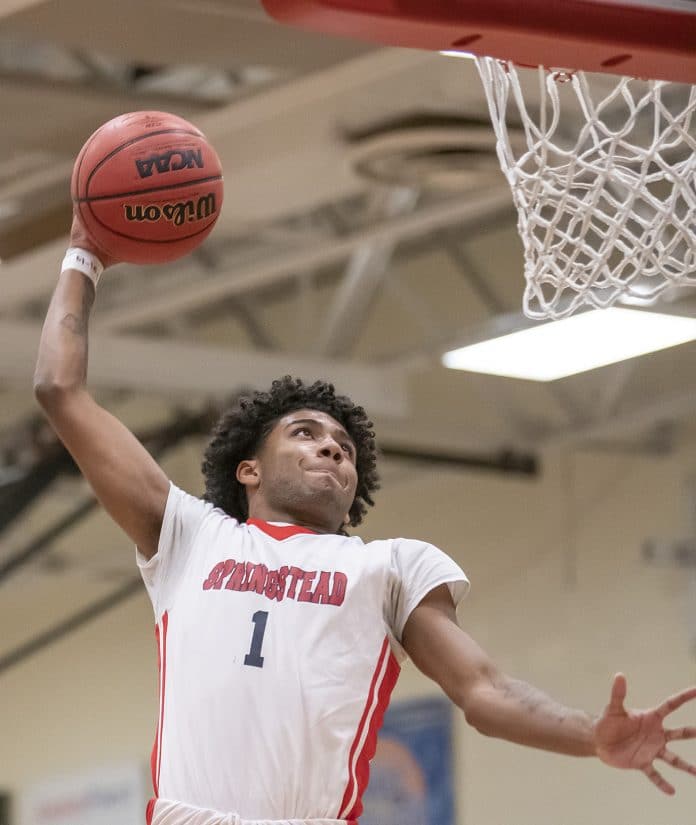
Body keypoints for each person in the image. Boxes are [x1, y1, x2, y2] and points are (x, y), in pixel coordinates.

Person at [34, 214, 696, 825]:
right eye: (304, 433)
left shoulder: (389, 566)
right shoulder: (187, 535)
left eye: (344, 449)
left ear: (353, 491)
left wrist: (590, 735)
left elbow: (484, 690)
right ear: (249, 468)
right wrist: (85, 254)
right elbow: (60, 390)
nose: (330, 447)